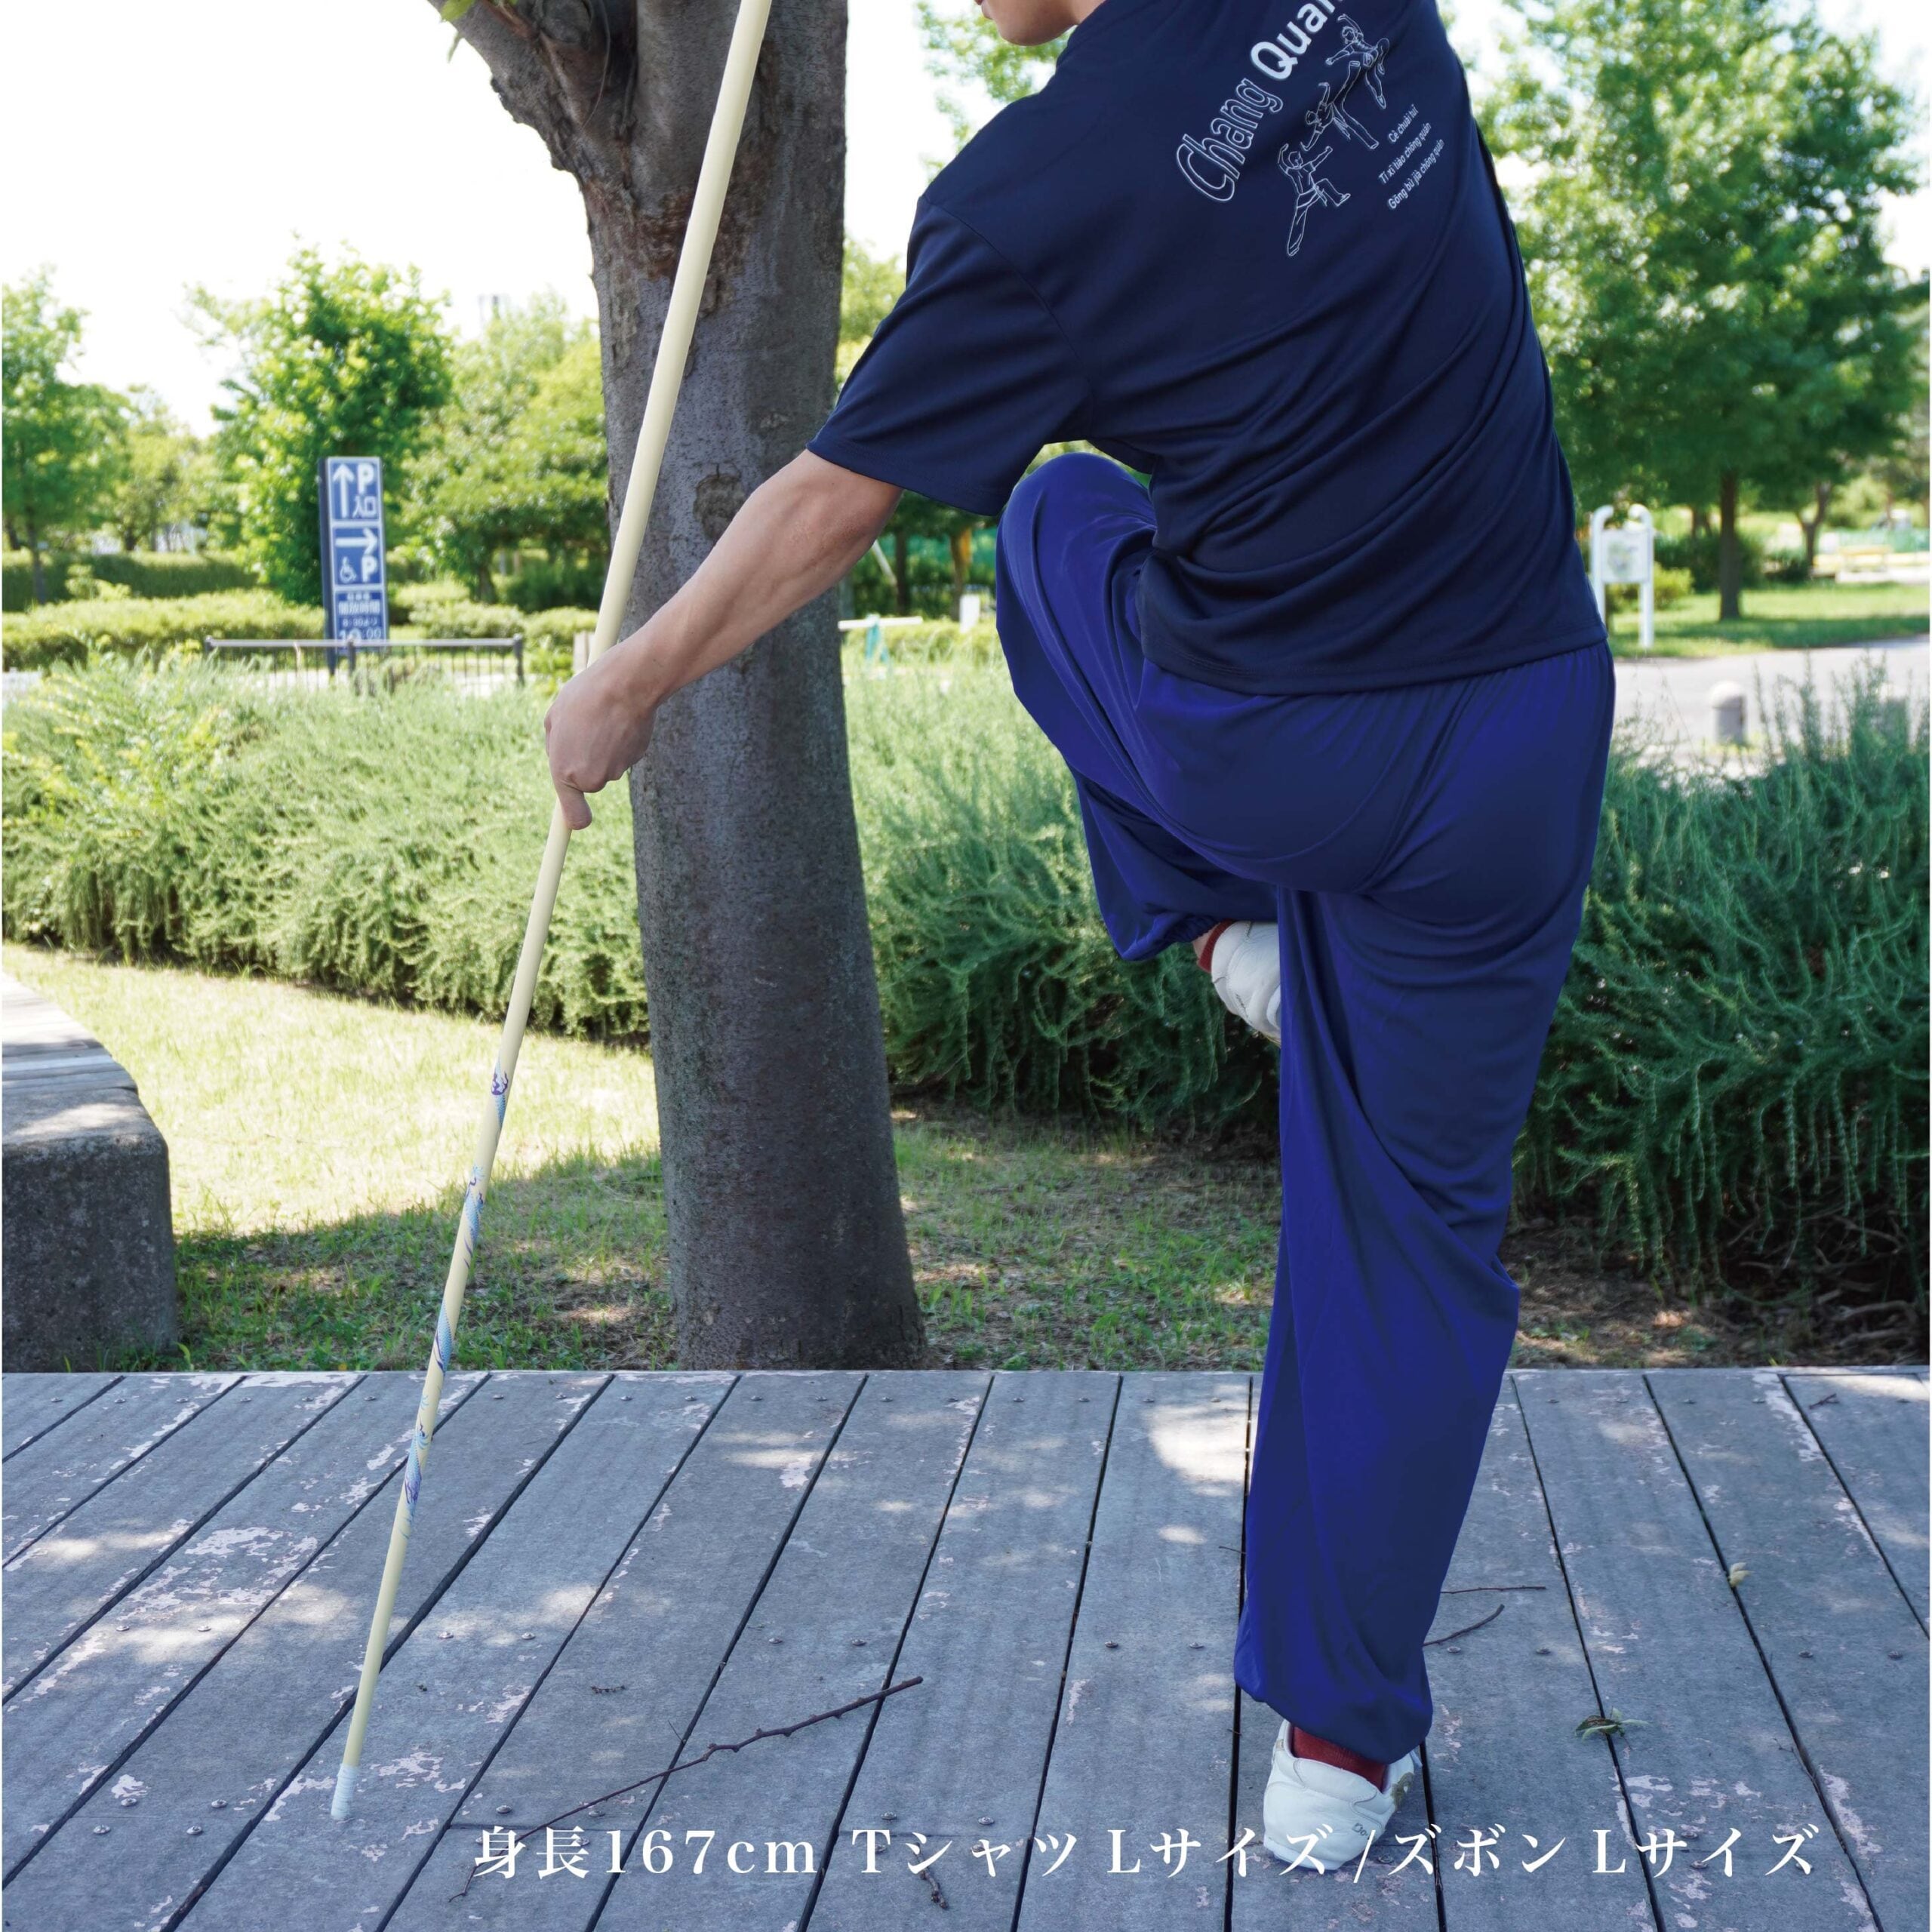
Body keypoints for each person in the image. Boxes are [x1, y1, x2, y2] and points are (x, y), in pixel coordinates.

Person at [543, 0, 1613, 1874]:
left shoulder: (1028, 199)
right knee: (1408, 1239)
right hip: (1519, 726)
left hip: (1277, 750)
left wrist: (628, 680)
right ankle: (1337, 1749)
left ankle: (1205, 924)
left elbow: (829, 500)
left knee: (1052, 519)